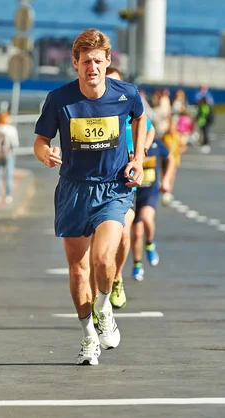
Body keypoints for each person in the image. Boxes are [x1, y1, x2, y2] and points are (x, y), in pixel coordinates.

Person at [33, 28, 147, 366]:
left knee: (101, 260)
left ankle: (103, 305)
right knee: (78, 270)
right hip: (73, 189)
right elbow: (40, 140)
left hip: (113, 187)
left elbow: (141, 117)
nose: (92, 68)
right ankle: (88, 337)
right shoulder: (59, 99)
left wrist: (137, 157)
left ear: (108, 61)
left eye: (98, 61)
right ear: (75, 63)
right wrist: (45, 154)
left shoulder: (126, 94)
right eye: (85, 62)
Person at [95, 66, 156, 310]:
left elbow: (149, 129)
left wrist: (139, 154)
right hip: (96, 182)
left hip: (125, 184)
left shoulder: (130, 108)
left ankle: (117, 277)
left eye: (116, 84)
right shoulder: (93, 108)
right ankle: (96, 298)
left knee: (122, 232)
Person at [131, 138, 176, 281]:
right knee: (137, 233)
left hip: (150, 191)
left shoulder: (156, 144)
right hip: (132, 193)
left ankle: (150, 244)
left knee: (146, 218)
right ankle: (137, 264)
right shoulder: (128, 142)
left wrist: (166, 180)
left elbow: (170, 159)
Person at [0, 112, 19, 204]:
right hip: (9, 154)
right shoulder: (12, 129)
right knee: (9, 174)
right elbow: (15, 143)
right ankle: (8, 195)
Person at [161, 116, 186, 206]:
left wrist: (179, 150)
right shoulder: (165, 136)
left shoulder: (178, 136)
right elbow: (161, 145)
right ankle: (165, 190)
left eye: (173, 126)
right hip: (165, 159)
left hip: (174, 160)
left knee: (171, 176)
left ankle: (168, 192)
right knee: (164, 175)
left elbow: (183, 146)